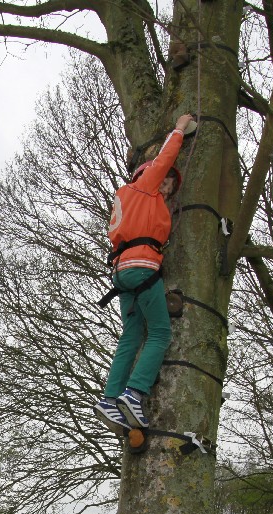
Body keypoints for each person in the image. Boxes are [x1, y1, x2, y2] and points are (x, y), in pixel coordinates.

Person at [94, 113, 197, 433]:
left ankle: (109, 399)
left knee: (131, 334)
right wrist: (179, 129)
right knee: (160, 332)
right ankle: (134, 393)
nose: (166, 187)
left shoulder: (128, 204)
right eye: (164, 181)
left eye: (170, 186)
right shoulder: (142, 188)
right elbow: (165, 158)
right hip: (141, 269)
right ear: (147, 176)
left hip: (123, 272)